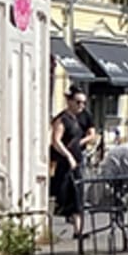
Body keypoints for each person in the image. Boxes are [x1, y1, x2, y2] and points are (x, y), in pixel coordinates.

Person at [49, 86, 90, 240]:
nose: (81, 106)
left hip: (77, 161)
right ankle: (73, 226)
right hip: (65, 164)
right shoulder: (62, 119)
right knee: (66, 195)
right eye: (78, 102)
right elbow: (56, 141)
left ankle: (78, 231)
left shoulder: (77, 119)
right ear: (69, 101)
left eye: (83, 103)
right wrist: (68, 156)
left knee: (78, 196)